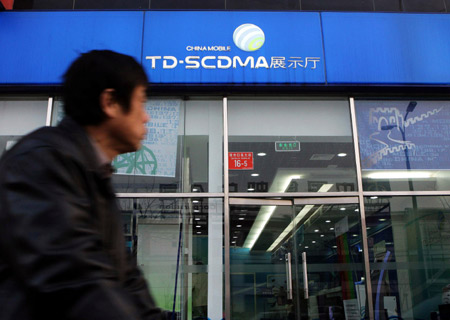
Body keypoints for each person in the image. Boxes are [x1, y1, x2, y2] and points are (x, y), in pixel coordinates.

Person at [0, 50, 175, 320]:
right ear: (110, 102)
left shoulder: (95, 175)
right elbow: (74, 281)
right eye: (141, 102)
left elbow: (127, 280)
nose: (146, 117)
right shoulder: (41, 161)